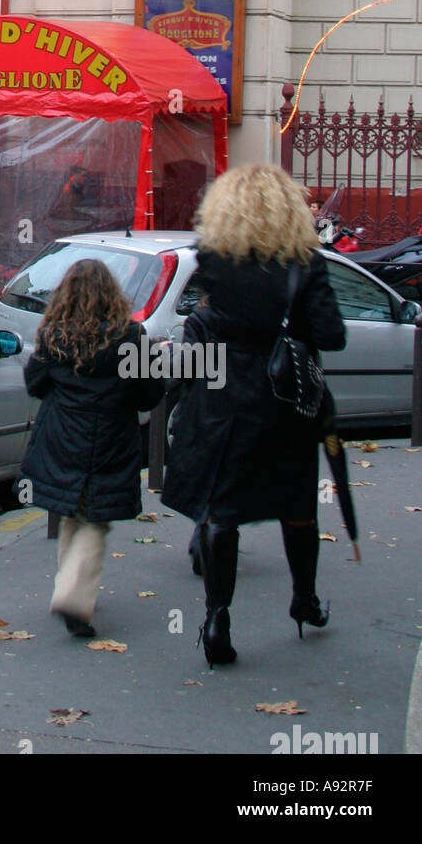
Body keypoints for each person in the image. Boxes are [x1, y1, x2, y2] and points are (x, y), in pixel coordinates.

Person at [162, 163, 347, 666]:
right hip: (283, 405)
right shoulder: (305, 263)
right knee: (297, 507)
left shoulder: (214, 259)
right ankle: (304, 600)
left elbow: (199, 317)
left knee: (222, 512)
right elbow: (332, 335)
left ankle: (218, 618)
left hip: (221, 402)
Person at [20, 259, 163, 636]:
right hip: (112, 439)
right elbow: (149, 394)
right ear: (111, 296)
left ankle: (70, 587)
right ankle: (73, 595)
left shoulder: (55, 335)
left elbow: (35, 383)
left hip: (63, 438)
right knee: (94, 520)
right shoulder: (131, 337)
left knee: (73, 514)